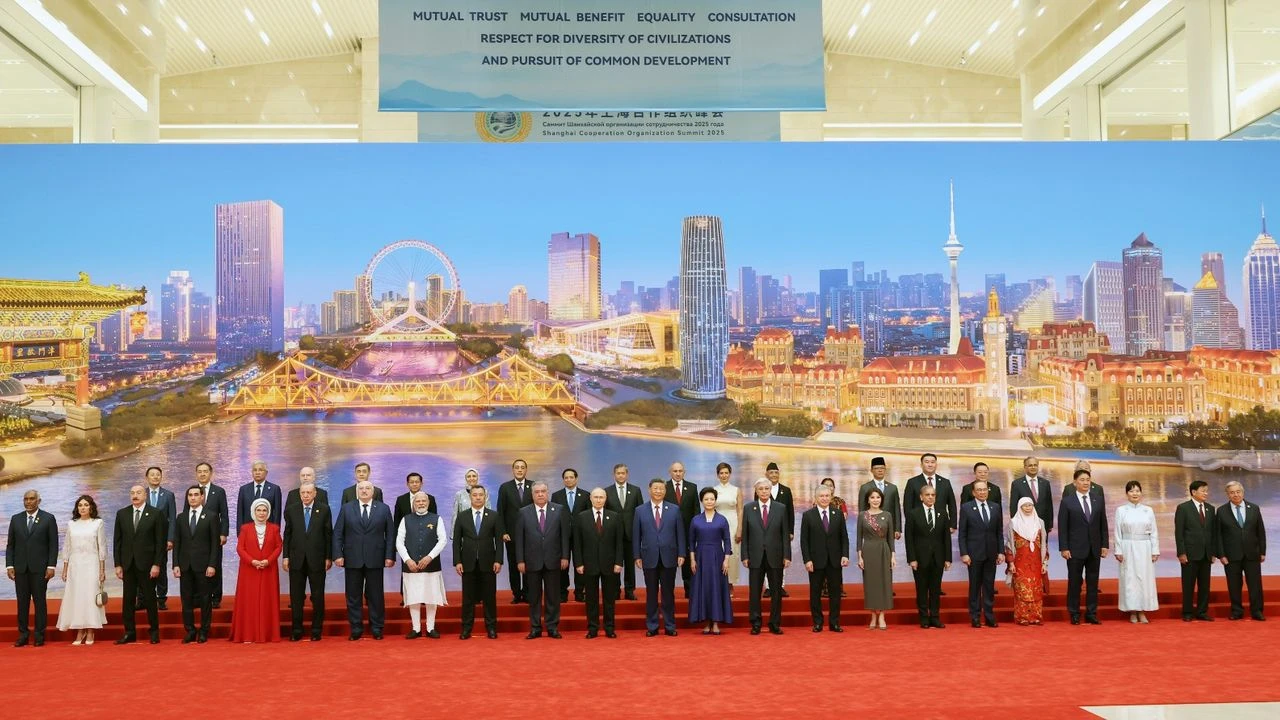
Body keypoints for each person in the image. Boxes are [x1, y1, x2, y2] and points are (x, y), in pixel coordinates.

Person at [333, 480, 396, 640]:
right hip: (352, 558)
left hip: (376, 558)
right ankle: (356, 628)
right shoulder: (347, 508)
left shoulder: (383, 508)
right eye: (361, 488)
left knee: (376, 595)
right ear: (357, 491)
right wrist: (338, 554)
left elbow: (390, 534)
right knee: (353, 596)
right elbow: (338, 533)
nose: (364, 490)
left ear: (373, 491)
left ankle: (377, 627)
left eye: (367, 488)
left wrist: (389, 556)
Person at [514, 481, 571, 639]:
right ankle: (535, 628)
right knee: (534, 597)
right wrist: (520, 560)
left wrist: (565, 556)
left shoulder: (559, 510)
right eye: (537, 492)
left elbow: (564, 536)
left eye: (543, 491)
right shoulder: (523, 512)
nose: (540, 494)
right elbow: (519, 539)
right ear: (532, 494)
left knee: (553, 596)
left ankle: (552, 627)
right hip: (532, 561)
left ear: (547, 492)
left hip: (554, 560)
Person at [113, 485, 166, 644]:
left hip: (148, 565)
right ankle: (129, 632)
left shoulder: (156, 514)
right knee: (128, 600)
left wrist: (157, 564)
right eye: (132, 493)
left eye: (138, 493)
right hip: (128, 564)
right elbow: (117, 542)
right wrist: (118, 564)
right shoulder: (122, 513)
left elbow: (160, 542)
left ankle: (154, 632)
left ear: (145, 495)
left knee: (150, 599)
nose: (135, 495)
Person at [634, 478, 685, 637]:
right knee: (651, 593)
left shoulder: (674, 509)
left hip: (669, 556)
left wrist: (681, 553)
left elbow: (680, 533)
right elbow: (636, 535)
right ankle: (652, 626)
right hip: (649, 557)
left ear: (665, 491)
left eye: (661, 488)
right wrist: (637, 555)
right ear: (649, 490)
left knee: (668, 593)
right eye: (655, 488)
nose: (658, 491)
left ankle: (670, 625)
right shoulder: (640, 510)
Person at [282, 481, 333, 641]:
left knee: (317, 597)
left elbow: (328, 534)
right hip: (296, 559)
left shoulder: (324, 509)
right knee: (296, 597)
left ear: (315, 493)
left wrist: (328, 557)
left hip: (317, 559)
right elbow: (287, 534)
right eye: (303, 493)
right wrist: (285, 556)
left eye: (309, 492)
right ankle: (297, 630)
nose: (305, 495)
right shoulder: (291, 510)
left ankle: (316, 630)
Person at [7, 490, 58, 647]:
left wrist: (51, 566)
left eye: (31, 499)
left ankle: (39, 635)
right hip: (20, 569)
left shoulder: (48, 518)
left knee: (40, 602)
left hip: (40, 569)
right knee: (22, 603)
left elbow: (53, 545)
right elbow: (11, 545)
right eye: (26, 499)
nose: (28, 502)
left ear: (38, 501)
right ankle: (23, 634)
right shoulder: (16, 519)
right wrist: (10, 565)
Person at [1059, 468, 1109, 625]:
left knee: (1093, 583)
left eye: (1088, 480)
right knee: (1075, 582)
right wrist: (1064, 547)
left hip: (1094, 548)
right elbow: (1062, 527)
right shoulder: (1067, 501)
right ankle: (1074, 613)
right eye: (1082, 480)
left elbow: (1103, 524)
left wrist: (1104, 545)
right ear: (1075, 482)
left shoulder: (1098, 499)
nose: (1085, 482)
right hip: (1074, 549)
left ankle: (1091, 613)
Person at [56, 495, 107, 645]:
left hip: (92, 563)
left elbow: (102, 547)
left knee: (90, 595)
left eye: (85, 505)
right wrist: (65, 568)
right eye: (80, 505)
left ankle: (90, 630)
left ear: (91, 507)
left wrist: (102, 570)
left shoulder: (98, 523)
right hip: (75, 564)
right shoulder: (71, 524)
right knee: (77, 595)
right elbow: (67, 547)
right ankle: (80, 629)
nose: (83, 508)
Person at [741, 477, 790, 635]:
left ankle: (774, 623)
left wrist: (787, 555)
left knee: (776, 592)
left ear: (770, 490)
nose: (763, 491)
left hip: (776, 556)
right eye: (760, 489)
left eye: (766, 489)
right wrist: (744, 555)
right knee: (755, 592)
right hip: (755, 556)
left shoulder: (780, 508)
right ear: (756, 491)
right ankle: (755, 623)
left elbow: (785, 534)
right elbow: (745, 534)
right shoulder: (749, 508)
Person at [453, 485, 503, 639]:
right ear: (470, 497)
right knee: (468, 599)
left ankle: (491, 628)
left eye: (481, 494)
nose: (478, 497)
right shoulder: (462, 516)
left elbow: (499, 541)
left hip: (488, 562)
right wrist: (457, 561)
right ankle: (466, 629)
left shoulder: (494, 516)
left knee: (489, 597)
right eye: (475, 495)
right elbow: (456, 541)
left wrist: (498, 560)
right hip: (467, 563)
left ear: (485, 497)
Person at [397, 491, 448, 639]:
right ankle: (416, 628)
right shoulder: (405, 519)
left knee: (432, 596)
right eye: (418, 501)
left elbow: (443, 540)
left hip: (431, 565)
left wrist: (430, 557)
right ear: (413, 503)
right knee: (413, 597)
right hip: (411, 566)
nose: (421, 503)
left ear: (428, 502)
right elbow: (399, 542)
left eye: (423, 501)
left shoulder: (437, 519)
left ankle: (430, 628)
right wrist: (407, 560)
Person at [229, 498, 281, 643]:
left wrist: (268, 561)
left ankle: (267, 634)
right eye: (259, 510)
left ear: (268, 512)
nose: (261, 513)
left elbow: (278, 547)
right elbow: (240, 548)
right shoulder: (245, 528)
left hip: (268, 570)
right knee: (249, 601)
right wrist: (252, 561)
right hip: (249, 570)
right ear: (253, 511)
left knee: (267, 602)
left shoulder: (274, 528)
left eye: (264, 510)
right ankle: (248, 634)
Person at [574, 488, 624, 638]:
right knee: (591, 599)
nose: (598, 500)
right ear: (590, 498)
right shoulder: (581, 517)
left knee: (609, 599)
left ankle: (609, 628)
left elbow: (619, 542)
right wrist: (578, 563)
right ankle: (592, 628)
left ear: (605, 498)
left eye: (601, 497)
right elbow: (577, 543)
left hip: (610, 564)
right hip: (589, 564)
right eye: (595, 497)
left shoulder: (614, 516)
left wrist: (618, 562)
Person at [173, 486, 220, 644]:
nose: (192, 498)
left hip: (204, 565)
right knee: (186, 599)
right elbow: (177, 542)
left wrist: (212, 564)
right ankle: (190, 630)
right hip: (185, 565)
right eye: (190, 495)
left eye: (195, 495)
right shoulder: (181, 517)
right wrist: (175, 564)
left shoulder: (211, 516)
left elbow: (215, 544)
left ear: (202, 497)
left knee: (205, 599)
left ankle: (204, 630)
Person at [801, 483, 849, 633]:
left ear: (831, 497)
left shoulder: (838, 514)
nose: (824, 498)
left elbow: (844, 537)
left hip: (835, 560)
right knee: (815, 593)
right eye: (821, 496)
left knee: (835, 593)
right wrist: (807, 560)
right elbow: (804, 540)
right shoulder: (808, 515)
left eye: (827, 496)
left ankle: (834, 623)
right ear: (816, 498)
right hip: (816, 561)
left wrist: (845, 555)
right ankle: (817, 622)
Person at [1216, 480, 1267, 621]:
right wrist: (1221, 554)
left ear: (1243, 492)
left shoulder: (1254, 508)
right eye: (1232, 492)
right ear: (1227, 494)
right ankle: (1237, 611)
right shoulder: (1221, 511)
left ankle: (1257, 611)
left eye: (1238, 492)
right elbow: (1218, 535)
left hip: (1252, 553)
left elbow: (1260, 531)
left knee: (1255, 584)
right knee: (1234, 585)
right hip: (1231, 555)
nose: (1235, 495)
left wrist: (1262, 552)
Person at [959, 479, 1003, 628]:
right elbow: (962, 533)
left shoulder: (995, 507)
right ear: (973, 492)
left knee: (989, 586)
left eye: (984, 489)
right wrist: (964, 553)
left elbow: (999, 532)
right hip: (974, 554)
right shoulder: (966, 508)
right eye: (979, 490)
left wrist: (1001, 551)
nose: (982, 492)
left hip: (991, 553)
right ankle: (975, 616)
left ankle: (989, 616)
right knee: (975, 586)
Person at [905, 484, 951, 629]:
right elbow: (909, 538)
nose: (930, 497)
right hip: (920, 558)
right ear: (921, 497)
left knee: (936, 590)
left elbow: (946, 538)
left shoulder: (942, 513)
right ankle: (924, 618)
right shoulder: (913, 514)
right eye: (927, 495)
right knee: (922, 589)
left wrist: (948, 558)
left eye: (933, 495)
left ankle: (935, 617)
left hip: (938, 557)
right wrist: (912, 558)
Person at [1114, 480, 1159, 624]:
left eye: (1137, 491)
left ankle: (1142, 611)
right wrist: (1118, 550)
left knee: (1144, 579)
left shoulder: (1148, 510)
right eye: (1131, 491)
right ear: (1126, 493)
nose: (1135, 493)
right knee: (1130, 579)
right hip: (1128, 547)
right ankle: (1132, 611)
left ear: (1141, 493)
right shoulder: (1121, 510)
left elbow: (1154, 532)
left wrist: (1155, 550)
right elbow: (1117, 532)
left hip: (1144, 547)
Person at [185, 462, 229, 608]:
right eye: (199, 471)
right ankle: (198, 597)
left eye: (205, 471)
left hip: (214, 535)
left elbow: (224, 514)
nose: (202, 474)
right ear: (196, 473)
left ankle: (215, 597)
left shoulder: (219, 491)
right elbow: (186, 514)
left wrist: (223, 533)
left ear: (211, 473)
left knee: (215, 565)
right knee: (196, 566)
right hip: (195, 536)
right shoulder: (191, 492)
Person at [1174, 479, 1216, 622]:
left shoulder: (1210, 508)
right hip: (1189, 554)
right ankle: (1187, 612)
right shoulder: (1183, 508)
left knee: (1205, 586)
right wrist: (1181, 552)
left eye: (1207, 490)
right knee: (1188, 585)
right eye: (1203, 490)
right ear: (1193, 492)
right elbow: (1179, 532)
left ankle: (1202, 612)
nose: (1206, 493)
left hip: (1206, 554)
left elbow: (1213, 532)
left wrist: (1213, 552)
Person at [496, 459, 534, 603]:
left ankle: (528, 593)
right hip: (511, 535)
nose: (519, 470)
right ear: (513, 470)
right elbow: (500, 512)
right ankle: (517, 594)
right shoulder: (505, 487)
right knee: (513, 565)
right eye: (517, 467)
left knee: (529, 564)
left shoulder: (533, 486)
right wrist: (503, 532)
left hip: (530, 534)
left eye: (522, 467)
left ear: (526, 470)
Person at [604, 463, 643, 600]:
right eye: (618, 473)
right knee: (614, 563)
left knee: (630, 565)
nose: (621, 475)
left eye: (623, 473)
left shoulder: (635, 490)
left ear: (627, 474)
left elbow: (640, 512)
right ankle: (615, 590)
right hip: (612, 535)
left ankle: (629, 590)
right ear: (614, 475)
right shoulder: (607, 491)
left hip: (630, 534)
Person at [858, 487, 895, 630]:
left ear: (882, 499)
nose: (875, 500)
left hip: (883, 550)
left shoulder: (887, 515)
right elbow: (859, 538)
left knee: (885, 583)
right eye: (872, 497)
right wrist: (860, 557)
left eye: (878, 497)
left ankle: (882, 615)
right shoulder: (863, 515)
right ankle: (873, 614)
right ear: (868, 500)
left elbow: (890, 538)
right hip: (868, 551)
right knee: (871, 583)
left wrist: (893, 556)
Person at [1007, 497, 1048, 626]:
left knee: (1036, 590)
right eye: (1025, 505)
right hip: (1020, 563)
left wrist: (1044, 563)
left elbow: (1044, 544)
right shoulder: (1013, 523)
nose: (1028, 508)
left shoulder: (1040, 522)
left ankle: (1036, 617)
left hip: (1036, 563)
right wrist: (1011, 563)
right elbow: (1009, 545)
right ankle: (1022, 617)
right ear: (1020, 507)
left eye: (1030, 505)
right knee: (1022, 590)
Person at [551, 467, 590, 602]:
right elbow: (554, 517)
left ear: (576, 478)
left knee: (580, 564)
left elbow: (588, 517)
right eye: (566, 478)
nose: (568, 480)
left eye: (571, 477)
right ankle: (562, 593)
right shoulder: (556, 496)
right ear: (563, 480)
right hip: (562, 537)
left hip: (581, 537)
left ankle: (580, 592)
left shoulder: (585, 495)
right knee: (563, 565)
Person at [142, 466, 177, 611]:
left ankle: (161, 598)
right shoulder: (141, 493)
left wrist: (170, 538)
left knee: (161, 569)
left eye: (158, 475)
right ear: (147, 477)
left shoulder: (168, 495)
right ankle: (143, 598)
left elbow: (172, 518)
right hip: (144, 540)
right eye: (152, 475)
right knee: (143, 568)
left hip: (162, 539)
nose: (155, 477)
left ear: (161, 477)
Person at [665, 461, 699, 598]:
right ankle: (669, 593)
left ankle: (690, 592)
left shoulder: (692, 487)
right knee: (669, 564)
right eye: (675, 471)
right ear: (670, 472)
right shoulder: (664, 487)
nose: (678, 474)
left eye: (680, 471)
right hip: (669, 533)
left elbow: (696, 510)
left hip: (688, 531)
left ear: (684, 472)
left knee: (688, 563)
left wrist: (696, 529)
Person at [712, 462, 744, 597]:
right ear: (717, 475)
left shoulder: (736, 490)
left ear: (730, 474)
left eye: (726, 473)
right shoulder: (713, 490)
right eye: (721, 473)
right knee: (717, 553)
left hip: (733, 523)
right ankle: (718, 583)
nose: (724, 475)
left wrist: (740, 529)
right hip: (717, 523)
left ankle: (730, 584)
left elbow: (740, 510)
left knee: (732, 554)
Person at [904, 453, 957, 533]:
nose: (930, 465)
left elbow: (952, 504)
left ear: (936, 464)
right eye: (927, 462)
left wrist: (952, 525)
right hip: (919, 526)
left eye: (932, 462)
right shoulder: (912, 482)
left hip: (941, 525)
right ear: (921, 465)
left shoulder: (945, 482)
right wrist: (911, 523)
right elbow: (907, 506)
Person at [764, 462, 794, 597]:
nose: (774, 475)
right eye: (771, 472)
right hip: (765, 530)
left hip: (783, 530)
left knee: (783, 557)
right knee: (766, 557)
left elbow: (791, 512)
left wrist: (791, 531)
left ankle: (780, 586)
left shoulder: (786, 491)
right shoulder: (762, 490)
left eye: (776, 472)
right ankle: (768, 587)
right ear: (766, 474)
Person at [1008, 456, 1053, 536]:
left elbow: (1049, 505)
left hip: (1042, 525)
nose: (1033, 467)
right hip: (1024, 526)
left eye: (1035, 465)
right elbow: (1013, 506)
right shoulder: (1017, 484)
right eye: (1030, 465)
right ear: (1025, 467)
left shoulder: (1045, 483)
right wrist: (1015, 524)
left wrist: (1050, 524)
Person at [859, 456, 902, 537]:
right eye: (876, 468)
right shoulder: (865, 488)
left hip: (889, 527)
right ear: (871, 470)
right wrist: (863, 528)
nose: (880, 470)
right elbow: (862, 509)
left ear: (885, 469)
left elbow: (897, 509)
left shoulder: (892, 488)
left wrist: (897, 529)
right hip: (871, 527)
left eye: (882, 468)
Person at [236, 461, 282, 529]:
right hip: (248, 530)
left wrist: (276, 531)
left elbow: (277, 514)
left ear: (266, 473)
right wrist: (240, 533)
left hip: (268, 530)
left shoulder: (275, 489)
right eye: (255, 470)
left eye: (260, 470)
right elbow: (240, 514)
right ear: (252, 472)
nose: (257, 472)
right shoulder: (244, 489)